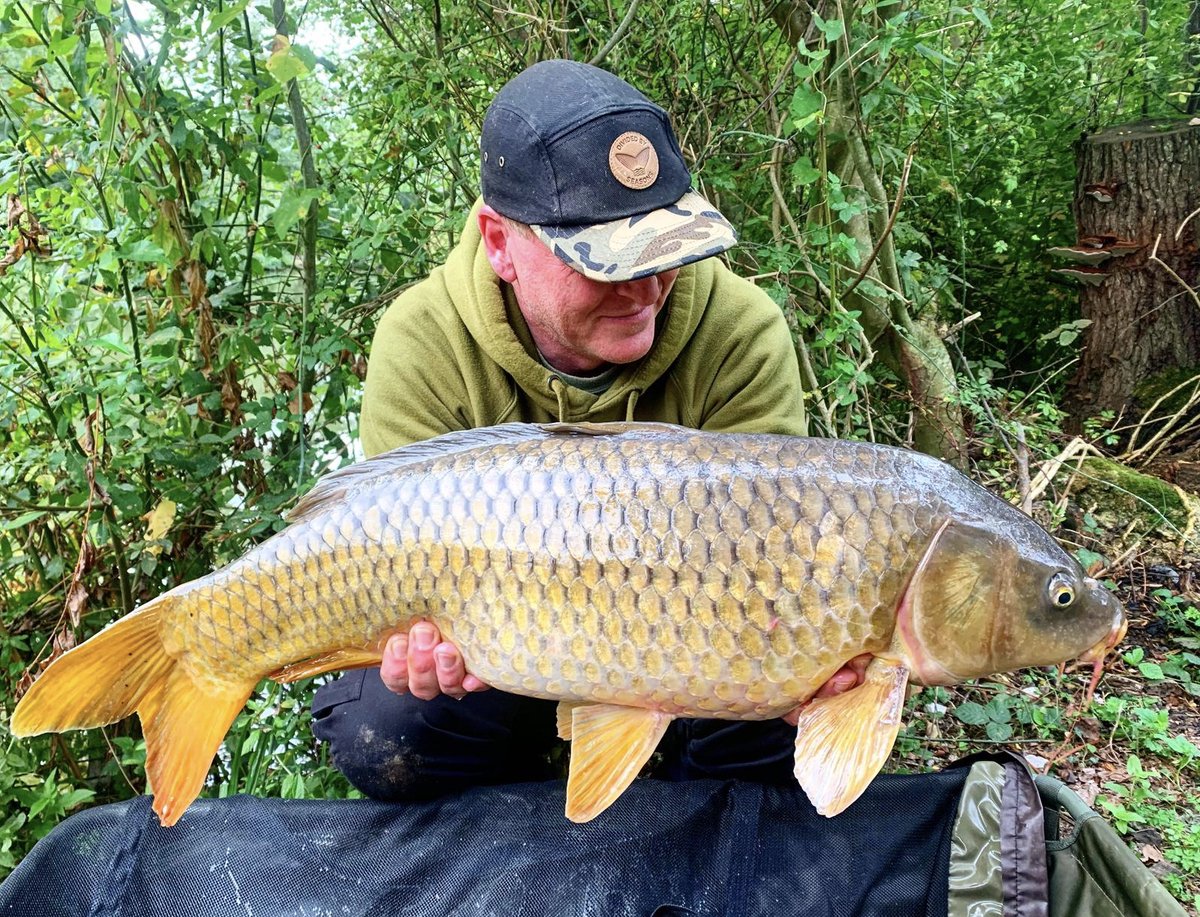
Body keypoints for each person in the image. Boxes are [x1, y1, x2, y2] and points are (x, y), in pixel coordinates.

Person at [312, 59, 867, 802]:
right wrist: (413, 642)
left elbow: (774, 569)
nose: (644, 288)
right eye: (604, 261)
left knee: (782, 704)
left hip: (695, 641)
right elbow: (394, 573)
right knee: (387, 722)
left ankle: (684, 822)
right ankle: (522, 835)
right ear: (501, 244)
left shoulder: (742, 333)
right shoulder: (422, 342)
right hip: (499, 648)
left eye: (664, 251)